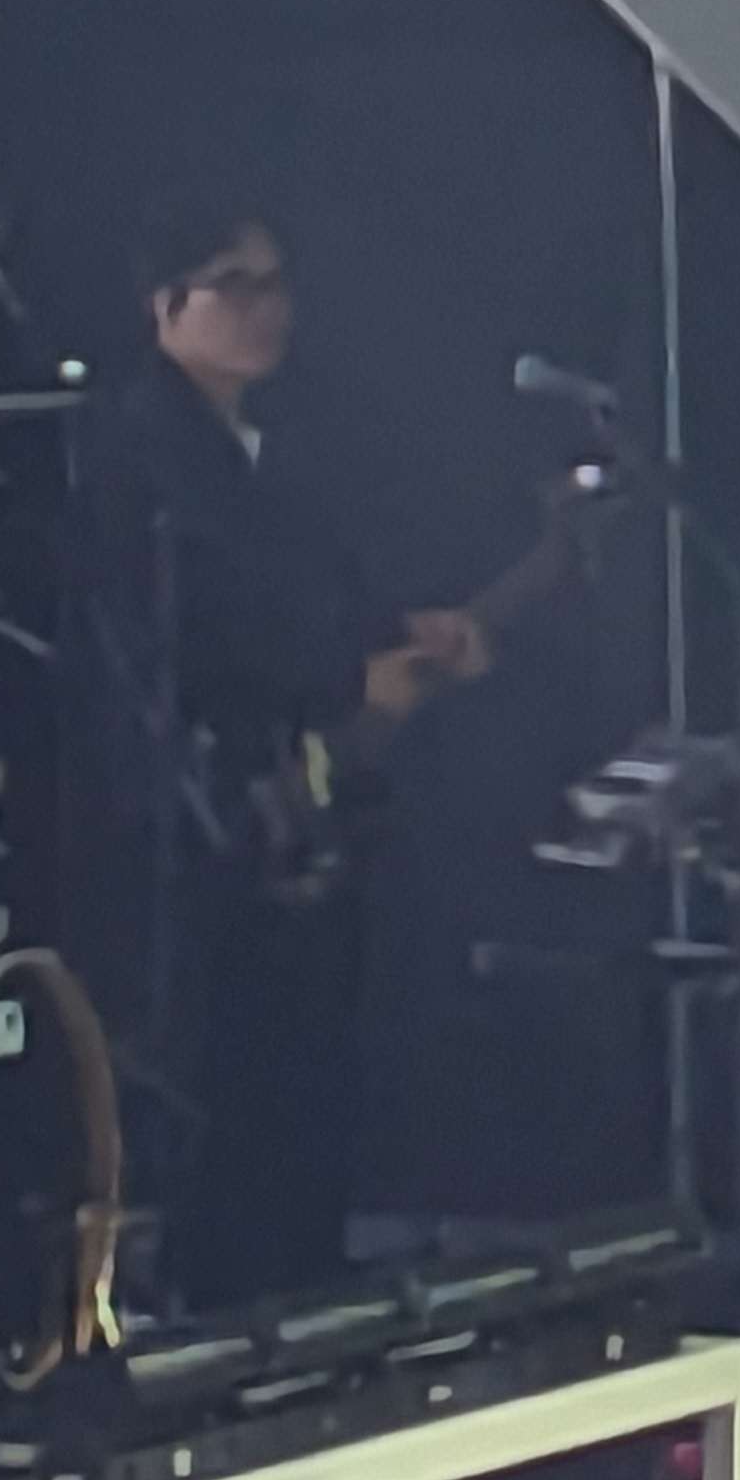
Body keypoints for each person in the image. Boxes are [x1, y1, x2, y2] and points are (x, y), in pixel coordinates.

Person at [75, 200, 496, 1310]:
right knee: (232, 1075)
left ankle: (301, 1287)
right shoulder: (136, 453)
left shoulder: (276, 449)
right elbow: (179, 639)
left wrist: (404, 634)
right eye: (238, 286)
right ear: (167, 306)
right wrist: (345, 681)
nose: (270, 311)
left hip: (295, 804)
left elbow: (311, 595)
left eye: (276, 284)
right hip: (197, 817)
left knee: (311, 1062)